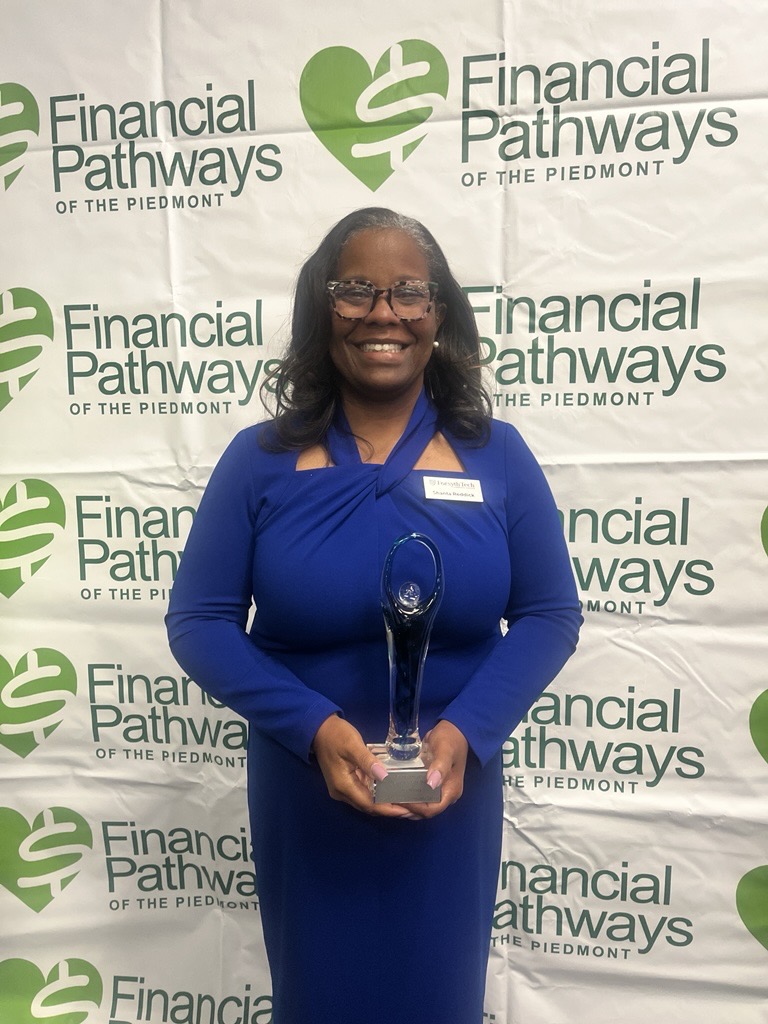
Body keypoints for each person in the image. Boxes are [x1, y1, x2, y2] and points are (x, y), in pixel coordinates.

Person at [166, 207, 581, 1023]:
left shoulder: (496, 454)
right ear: (322, 308)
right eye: (356, 289)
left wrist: (467, 734)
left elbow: (549, 612)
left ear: (439, 315)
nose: (382, 312)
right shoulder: (260, 460)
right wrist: (314, 728)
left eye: (408, 293)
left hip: (449, 791)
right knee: (322, 997)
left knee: (437, 996)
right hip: (306, 790)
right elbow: (200, 621)